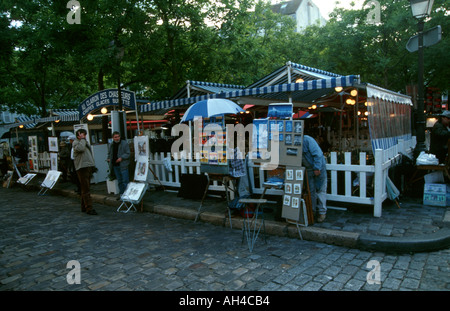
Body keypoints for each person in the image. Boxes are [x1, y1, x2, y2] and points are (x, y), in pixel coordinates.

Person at [302, 135, 327, 223]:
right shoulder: (293, 141)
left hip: (318, 168)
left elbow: (318, 154)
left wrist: (317, 168)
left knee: (320, 190)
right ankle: (312, 212)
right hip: (308, 170)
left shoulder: (307, 140)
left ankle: (321, 213)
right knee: (311, 191)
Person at [73, 129, 97, 215]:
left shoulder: (84, 142)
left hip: (87, 167)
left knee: (85, 188)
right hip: (82, 167)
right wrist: (83, 140)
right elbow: (81, 149)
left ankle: (84, 206)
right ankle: (89, 208)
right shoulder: (76, 143)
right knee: (85, 189)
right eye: (82, 135)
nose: (84, 137)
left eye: (85, 135)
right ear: (78, 136)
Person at [107, 131, 130, 196]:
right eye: (115, 137)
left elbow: (128, 153)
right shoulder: (111, 145)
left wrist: (121, 158)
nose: (117, 138)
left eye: (118, 137)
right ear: (113, 138)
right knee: (119, 181)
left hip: (123, 165)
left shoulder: (124, 143)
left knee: (125, 181)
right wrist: (109, 158)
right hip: (115, 165)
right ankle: (122, 194)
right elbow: (109, 153)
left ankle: (127, 195)